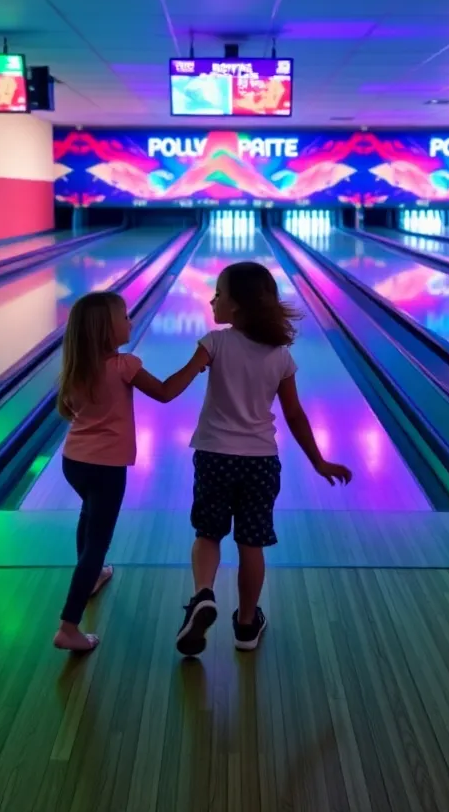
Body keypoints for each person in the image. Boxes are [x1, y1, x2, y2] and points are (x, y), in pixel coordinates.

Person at [176, 262, 352, 657]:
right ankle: (246, 625)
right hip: (260, 462)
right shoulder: (280, 355)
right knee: (251, 545)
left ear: (236, 307)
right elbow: (294, 415)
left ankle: (203, 594)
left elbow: (174, 386)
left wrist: (132, 377)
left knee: (207, 534)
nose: (211, 299)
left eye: (218, 293)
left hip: (214, 455)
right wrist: (319, 461)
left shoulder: (214, 343)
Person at [53, 291, 208, 653]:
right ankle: (68, 626)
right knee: (98, 542)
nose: (131, 320)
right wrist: (197, 361)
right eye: (124, 316)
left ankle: (90, 579)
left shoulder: (77, 367)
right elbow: (167, 392)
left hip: (74, 461)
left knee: (88, 516)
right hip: (107, 467)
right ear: (106, 329)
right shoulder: (125, 366)